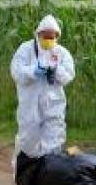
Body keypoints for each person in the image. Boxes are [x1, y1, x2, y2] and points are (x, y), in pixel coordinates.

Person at [11, 15, 75, 170]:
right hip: (30, 102)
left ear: (56, 37)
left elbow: (69, 75)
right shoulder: (26, 50)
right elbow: (16, 72)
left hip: (53, 103)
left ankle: (49, 171)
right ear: (38, 34)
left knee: (54, 136)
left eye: (51, 37)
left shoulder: (62, 53)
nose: (48, 39)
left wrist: (55, 70)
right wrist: (34, 71)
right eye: (45, 36)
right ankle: (24, 170)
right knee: (28, 137)